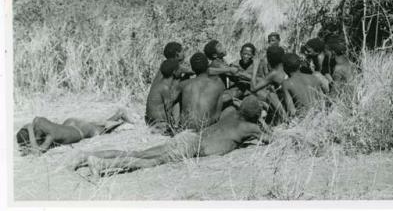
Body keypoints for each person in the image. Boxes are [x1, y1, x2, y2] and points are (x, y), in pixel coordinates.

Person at [72, 96, 271, 177]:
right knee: (149, 162)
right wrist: (262, 121)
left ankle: (90, 156)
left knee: (141, 153)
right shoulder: (249, 128)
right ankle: (100, 165)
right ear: (255, 115)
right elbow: (271, 139)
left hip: (187, 137)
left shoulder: (231, 114)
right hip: (192, 148)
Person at [16, 108, 134, 156]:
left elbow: (38, 152)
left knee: (100, 131)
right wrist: (30, 129)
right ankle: (116, 116)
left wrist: (31, 135)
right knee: (95, 125)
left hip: (79, 131)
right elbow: (35, 133)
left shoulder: (49, 136)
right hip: (68, 123)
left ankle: (119, 115)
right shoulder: (37, 121)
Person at [179, 52, 231, 130]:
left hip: (185, 130)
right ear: (208, 66)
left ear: (192, 69)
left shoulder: (183, 85)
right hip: (205, 131)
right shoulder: (218, 86)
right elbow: (217, 116)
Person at [144, 58, 185, 135]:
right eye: (180, 69)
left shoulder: (160, 84)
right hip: (158, 124)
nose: (181, 71)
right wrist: (172, 129)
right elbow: (168, 109)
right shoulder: (165, 88)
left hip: (150, 120)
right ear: (174, 72)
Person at [281, 53, 328, 117]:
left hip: (305, 119)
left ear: (284, 68)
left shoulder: (286, 83)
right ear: (300, 65)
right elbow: (322, 100)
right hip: (320, 116)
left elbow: (291, 110)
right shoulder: (313, 77)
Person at [250, 45, 288, 123]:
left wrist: (255, 68)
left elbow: (253, 88)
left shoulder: (274, 73)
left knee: (265, 94)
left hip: (285, 103)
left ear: (269, 58)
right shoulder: (287, 66)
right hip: (290, 101)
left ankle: (284, 119)